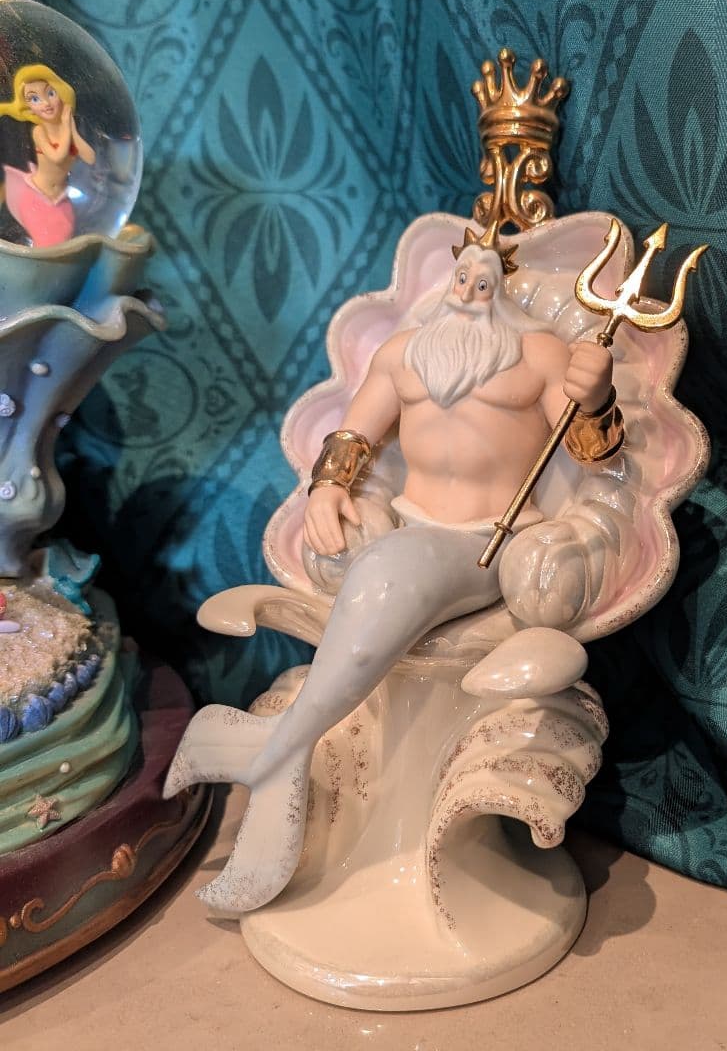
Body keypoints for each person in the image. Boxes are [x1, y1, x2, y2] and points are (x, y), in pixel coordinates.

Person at [165, 237, 623, 912]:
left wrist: (598, 397)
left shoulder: (539, 356)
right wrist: (328, 490)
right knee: (381, 559)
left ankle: (275, 746)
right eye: (462, 277)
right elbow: (353, 437)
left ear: (501, 290)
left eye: (484, 282)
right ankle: (281, 753)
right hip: (406, 523)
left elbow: (588, 448)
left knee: (390, 567)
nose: (469, 292)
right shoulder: (404, 353)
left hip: (486, 543)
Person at [0, 64, 96, 246]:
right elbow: (57, 157)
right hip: (36, 197)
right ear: (29, 107)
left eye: (51, 93)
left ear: (61, 94)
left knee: (63, 245)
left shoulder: (68, 130)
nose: (45, 103)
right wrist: (66, 127)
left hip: (61, 200)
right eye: (35, 99)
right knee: (44, 245)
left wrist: (73, 130)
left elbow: (90, 158)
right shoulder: (39, 131)